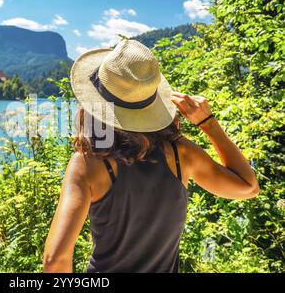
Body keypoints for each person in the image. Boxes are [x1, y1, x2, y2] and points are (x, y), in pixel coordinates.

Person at [43, 40, 259, 273]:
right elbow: (248, 187)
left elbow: (56, 261)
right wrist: (208, 123)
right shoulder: (180, 153)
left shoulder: (88, 163)